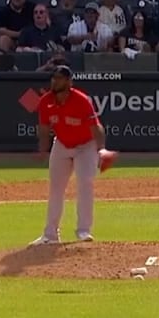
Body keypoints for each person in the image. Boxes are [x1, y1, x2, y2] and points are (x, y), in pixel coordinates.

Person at [29, 65, 110, 246]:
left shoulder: (81, 100)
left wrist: (101, 149)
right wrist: (42, 149)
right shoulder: (45, 101)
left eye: (59, 78)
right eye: (53, 78)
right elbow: (43, 128)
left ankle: (83, 230)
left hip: (85, 146)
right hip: (62, 144)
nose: (54, 81)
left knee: (85, 183)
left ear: (69, 81)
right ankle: (50, 234)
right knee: (56, 188)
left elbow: (96, 126)